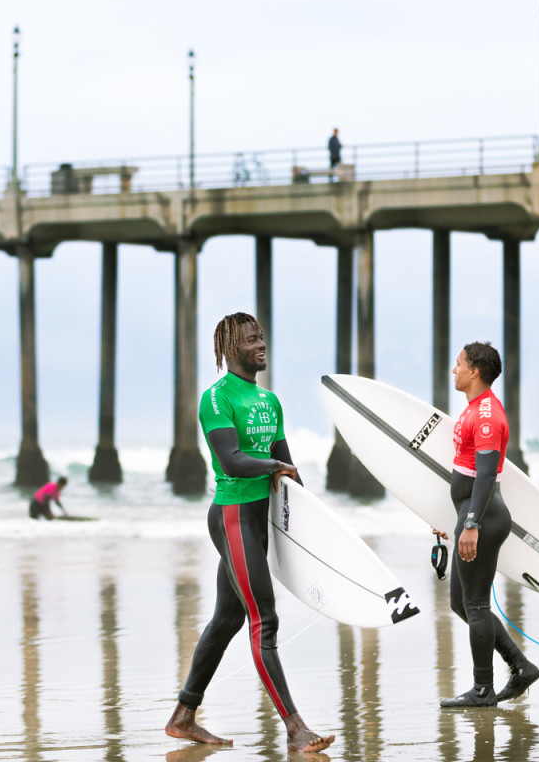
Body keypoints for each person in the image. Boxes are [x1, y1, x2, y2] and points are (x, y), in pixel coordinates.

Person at [165, 312, 335, 753]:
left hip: (260, 520)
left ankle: (183, 716)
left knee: (226, 619)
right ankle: (296, 729)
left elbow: (290, 471)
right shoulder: (216, 399)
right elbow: (232, 461)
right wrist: (275, 467)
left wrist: (313, 528)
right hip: (234, 516)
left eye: (261, 336)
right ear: (229, 347)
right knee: (265, 618)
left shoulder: (269, 401)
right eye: (250, 339)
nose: (261, 344)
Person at [439, 342, 539, 708]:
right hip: (473, 514)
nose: (455, 370)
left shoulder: (486, 416)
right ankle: (521, 666)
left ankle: (483, 690)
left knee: (476, 605)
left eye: (459, 363)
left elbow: (484, 476)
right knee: (461, 604)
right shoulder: (473, 410)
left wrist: (470, 524)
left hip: (482, 517)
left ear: (475, 370)